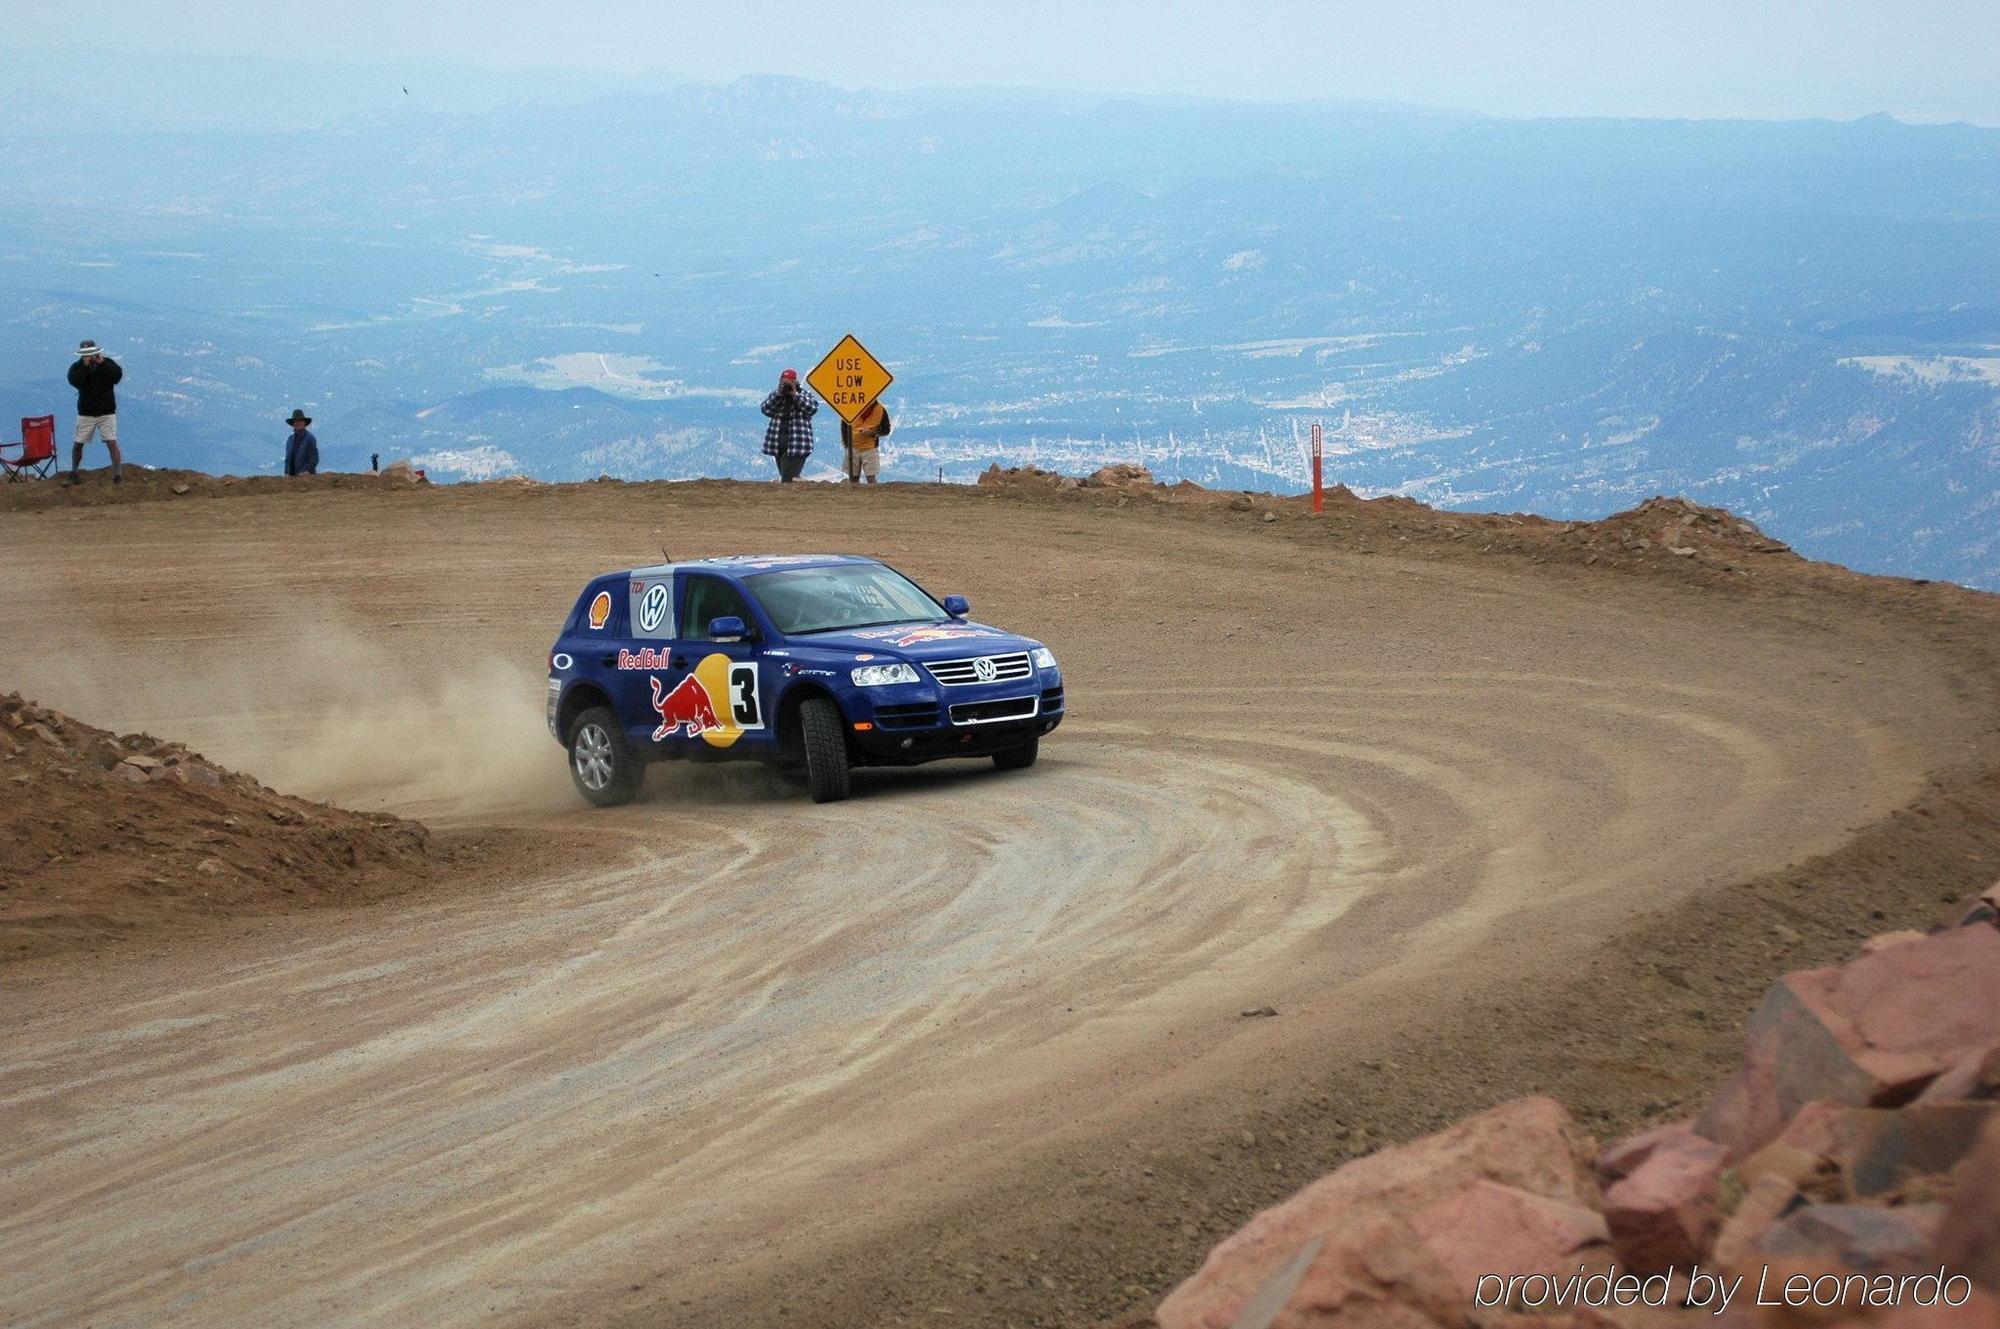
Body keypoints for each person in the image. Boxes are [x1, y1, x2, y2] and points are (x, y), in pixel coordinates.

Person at [64, 339, 124, 485]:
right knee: (78, 443)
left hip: (106, 412)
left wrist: (102, 363)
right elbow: (75, 381)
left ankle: (118, 474)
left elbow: (117, 376)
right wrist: (85, 366)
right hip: (86, 412)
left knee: (111, 442)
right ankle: (74, 471)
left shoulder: (107, 363)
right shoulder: (77, 368)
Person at [760, 368, 817, 482]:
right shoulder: (776, 396)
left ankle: (789, 494)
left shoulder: (804, 394)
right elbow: (765, 409)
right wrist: (778, 394)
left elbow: (812, 408)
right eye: (783, 381)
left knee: (787, 477)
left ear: (795, 381)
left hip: (797, 442)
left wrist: (795, 394)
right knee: (785, 475)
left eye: (789, 381)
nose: (786, 385)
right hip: (777, 441)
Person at [839, 398, 893, 485]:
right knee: (853, 478)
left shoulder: (879, 409)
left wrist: (873, 433)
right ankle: (854, 497)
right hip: (853, 448)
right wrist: (847, 445)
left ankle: (873, 497)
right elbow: (844, 426)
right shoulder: (852, 407)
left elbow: (886, 429)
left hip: (870, 448)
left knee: (871, 478)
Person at [283, 409, 319, 476]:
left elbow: (314, 459)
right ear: (293, 424)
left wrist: (306, 471)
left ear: (304, 423)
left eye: (300, 420)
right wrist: (286, 472)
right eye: (296, 421)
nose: (298, 423)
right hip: (291, 479)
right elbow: (287, 459)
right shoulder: (290, 439)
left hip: (306, 478)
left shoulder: (310, 438)